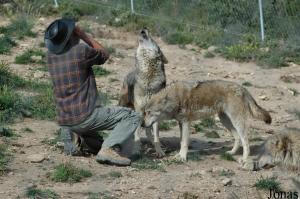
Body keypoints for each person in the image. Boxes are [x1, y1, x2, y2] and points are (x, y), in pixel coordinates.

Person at [44, 18, 141, 166]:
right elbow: (104, 54)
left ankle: (75, 136)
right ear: (71, 36)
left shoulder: (50, 57)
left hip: (65, 119)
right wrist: (83, 35)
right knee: (132, 116)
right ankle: (108, 150)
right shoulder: (81, 51)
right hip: (86, 116)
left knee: (97, 144)